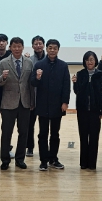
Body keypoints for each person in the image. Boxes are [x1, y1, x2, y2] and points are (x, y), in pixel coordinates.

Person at [29, 39, 70, 171]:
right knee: (43, 134)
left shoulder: (63, 65)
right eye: (50, 48)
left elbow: (66, 85)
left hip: (57, 105)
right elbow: (33, 83)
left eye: (55, 48)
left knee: (55, 134)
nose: (52, 50)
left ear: (58, 50)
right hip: (42, 105)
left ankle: (53, 159)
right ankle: (43, 160)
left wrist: (65, 102)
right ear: (46, 49)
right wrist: (37, 77)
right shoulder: (39, 64)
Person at [0, 37, 34, 170]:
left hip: (24, 103)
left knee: (23, 132)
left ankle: (20, 159)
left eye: (19, 46)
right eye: (14, 46)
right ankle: (5, 160)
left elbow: (31, 84)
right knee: (6, 132)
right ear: (10, 48)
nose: (17, 49)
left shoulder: (29, 62)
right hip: (8, 103)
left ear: (23, 47)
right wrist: (3, 77)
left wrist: (32, 102)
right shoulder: (3, 62)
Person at [73, 51, 102, 170]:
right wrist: (75, 83)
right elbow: (77, 91)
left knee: (94, 137)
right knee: (83, 136)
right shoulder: (80, 74)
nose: (89, 62)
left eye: (92, 59)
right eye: (87, 60)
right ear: (84, 62)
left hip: (95, 110)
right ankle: (83, 163)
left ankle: (92, 163)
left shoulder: (101, 74)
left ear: (95, 61)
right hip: (82, 110)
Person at [26, 35, 46, 158]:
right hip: (32, 96)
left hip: (44, 97)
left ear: (43, 45)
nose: (38, 46)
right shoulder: (29, 60)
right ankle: (30, 147)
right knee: (30, 124)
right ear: (32, 46)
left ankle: (44, 149)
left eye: (40, 43)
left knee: (44, 125)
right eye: (36, 44)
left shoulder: (49, 59)